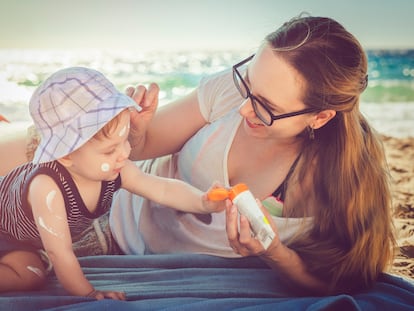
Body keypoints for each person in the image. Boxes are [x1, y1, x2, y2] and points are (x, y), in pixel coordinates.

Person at [108, 14, 395, 294]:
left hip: (169, 278)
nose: (244, 108)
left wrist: (275, 253)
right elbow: (140, 147)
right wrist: (134, 134)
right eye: (248, 83)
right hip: (111, 217)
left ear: (320, 117)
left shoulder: (337, 177)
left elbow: (340, 280)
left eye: (266, 106)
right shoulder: (230, 93)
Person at [0, 67, 226, 299]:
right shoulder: (47, 188)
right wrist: (89, 293)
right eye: (110, 150)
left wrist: (202, 201)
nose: (124, 153)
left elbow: (162, 188)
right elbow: (59, 253)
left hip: (19, 242)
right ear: (66, 155)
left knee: (30, 274)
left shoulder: (116, 168)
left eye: (125, 139)